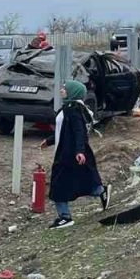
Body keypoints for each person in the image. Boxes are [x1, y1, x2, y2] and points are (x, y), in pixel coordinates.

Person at [42, 80, 110, 229]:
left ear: (73, 92)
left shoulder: (73, 110)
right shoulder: (71, 108)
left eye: (65, 89)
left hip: (68, 154)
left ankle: (65, 217)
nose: (61, 90)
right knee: (82, 180)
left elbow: (79, 132)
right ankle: (101, 191)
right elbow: (64, 131)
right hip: (69, 152)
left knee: (57, 185)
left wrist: (79, 151)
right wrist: (49, 141)